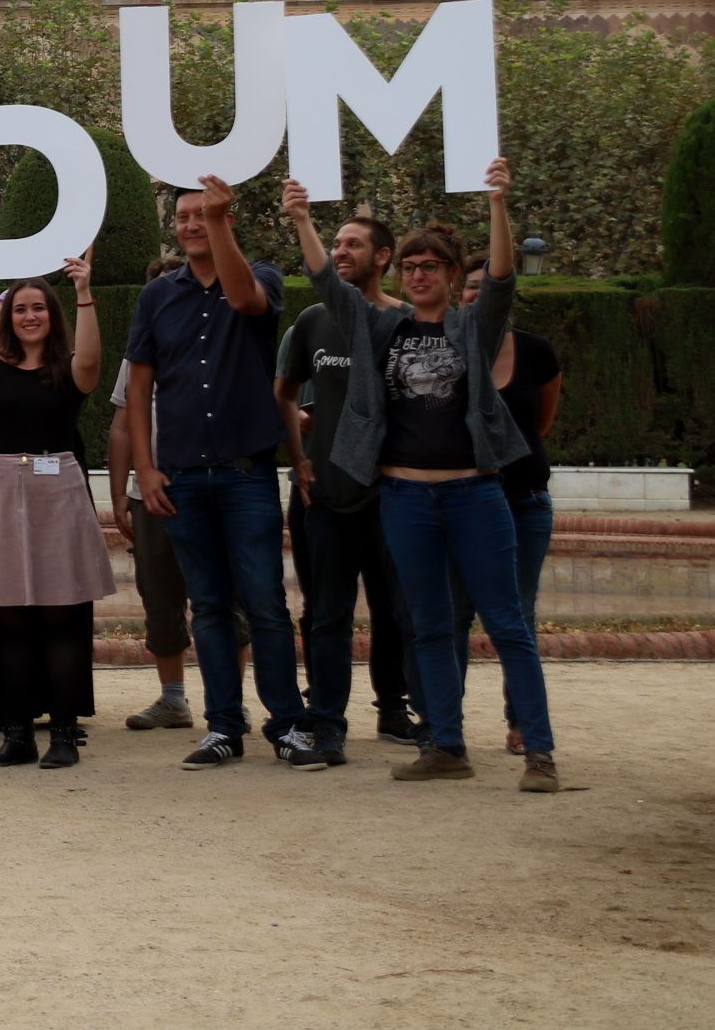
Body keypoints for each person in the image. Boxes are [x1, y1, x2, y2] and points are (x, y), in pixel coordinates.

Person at [284, 161, 560, 791]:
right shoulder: (383, 326)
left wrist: (497, 203)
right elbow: (327, 281)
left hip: (473, 494)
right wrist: (302, 219)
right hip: (404, 496)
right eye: (409, 267)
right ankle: (445, 745)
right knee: (430, 624)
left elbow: (501, 280)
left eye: (429, 266)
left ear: (448, 272)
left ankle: (540, 753)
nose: (418, 275)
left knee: (507, 622)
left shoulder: (472, 327)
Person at [124, 179, 322, 772]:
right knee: (207, 607)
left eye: (201, 216)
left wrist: (218, 221)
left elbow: (245, 303)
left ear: (225, 219)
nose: (190, 224)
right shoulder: (157, 296)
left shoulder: (260, 275)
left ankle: (287, 725)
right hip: (182, 475)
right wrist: (146, 467)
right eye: (184, 217)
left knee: (264, 604)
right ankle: (224, 728)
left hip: (245, 474)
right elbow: (138, 387)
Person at [0, 258, 112, 768]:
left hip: (57, 490)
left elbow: (92, 366)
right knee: (6, 618)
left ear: (52, 315)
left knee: (60, 616)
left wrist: (84, 290)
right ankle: (16, 734)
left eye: (38, 307)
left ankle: (62, 732)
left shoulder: (68, 367)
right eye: (20, 308)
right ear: (7, 316)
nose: (29, 316)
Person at [275, 215, 418, 760]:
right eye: (335, 243)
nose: (340, 252)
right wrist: (299, 459)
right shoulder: (312, 322)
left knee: (396, 610)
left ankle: (393, 709)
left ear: (383, 257)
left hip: (392, 495)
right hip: (327, 496)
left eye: (353, 244)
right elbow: (284, 394)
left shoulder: (406, 323)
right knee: (328, 613)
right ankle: (328, 723)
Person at [106, 257, 247, 731]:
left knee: (228, 598)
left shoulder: (224, 341)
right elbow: (123, 424)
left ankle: (233, 701)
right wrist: (121, 492)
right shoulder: (138, 354)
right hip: (152, 491)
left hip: (215, 484)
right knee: (159, 596)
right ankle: (173, 699)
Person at [456, 261, 561, 754]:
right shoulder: (444, 350)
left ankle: (521, 723)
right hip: (458, 503)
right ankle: (443, 726)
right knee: (453, 614)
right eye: (468, 289)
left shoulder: (536, 351)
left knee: (517, 615)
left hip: (523, 501)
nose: (474, 296)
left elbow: (540, 424)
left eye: (484, 287)